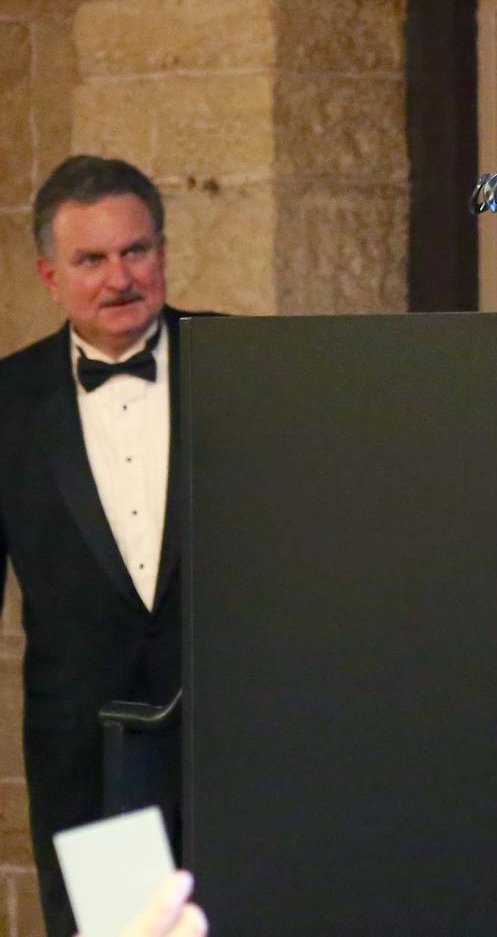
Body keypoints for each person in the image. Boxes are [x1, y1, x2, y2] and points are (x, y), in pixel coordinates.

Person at [0, 157, 206, 937]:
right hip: (92, 754)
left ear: (162, 250)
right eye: (91, 259)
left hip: (237, 742)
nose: (119, 277)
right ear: (50, 277)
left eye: (136, 251)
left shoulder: (242, 363)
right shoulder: (9, 402)